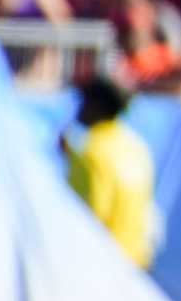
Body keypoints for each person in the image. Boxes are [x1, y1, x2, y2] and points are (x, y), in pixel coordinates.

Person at [60, 77, 156, 270]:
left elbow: (87, 214)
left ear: (96, 106)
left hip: (103, 266)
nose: (78, 108)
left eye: (83, 101)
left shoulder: (89, 150)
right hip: (137, 262)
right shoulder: (136, 145)